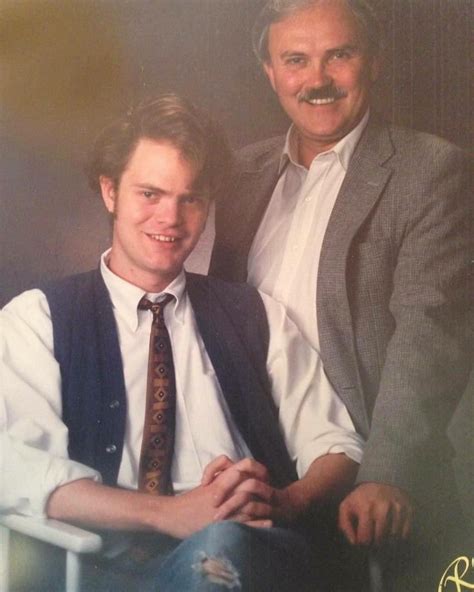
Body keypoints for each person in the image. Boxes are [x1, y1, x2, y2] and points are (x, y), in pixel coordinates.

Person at [0, 93, 364, 592]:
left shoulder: (257, 315)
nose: (170, 218)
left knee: (223, 548)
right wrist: (168, 514)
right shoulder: (37, 318)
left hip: (247, 553)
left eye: (190, 198)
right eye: (150, 194)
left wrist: (283, 501)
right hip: (102, 567)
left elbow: (337, 444)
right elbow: (14, 467)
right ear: (110, 192)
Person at [209, 0, 473, 588]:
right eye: (296, 59)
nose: (318, 80)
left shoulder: (429, 171)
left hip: (369, 491)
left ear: (372, 63)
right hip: (251, 476)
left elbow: (429, 334)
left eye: (340, 56)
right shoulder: (238, 176)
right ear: (271, 73)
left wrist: (389, 472)